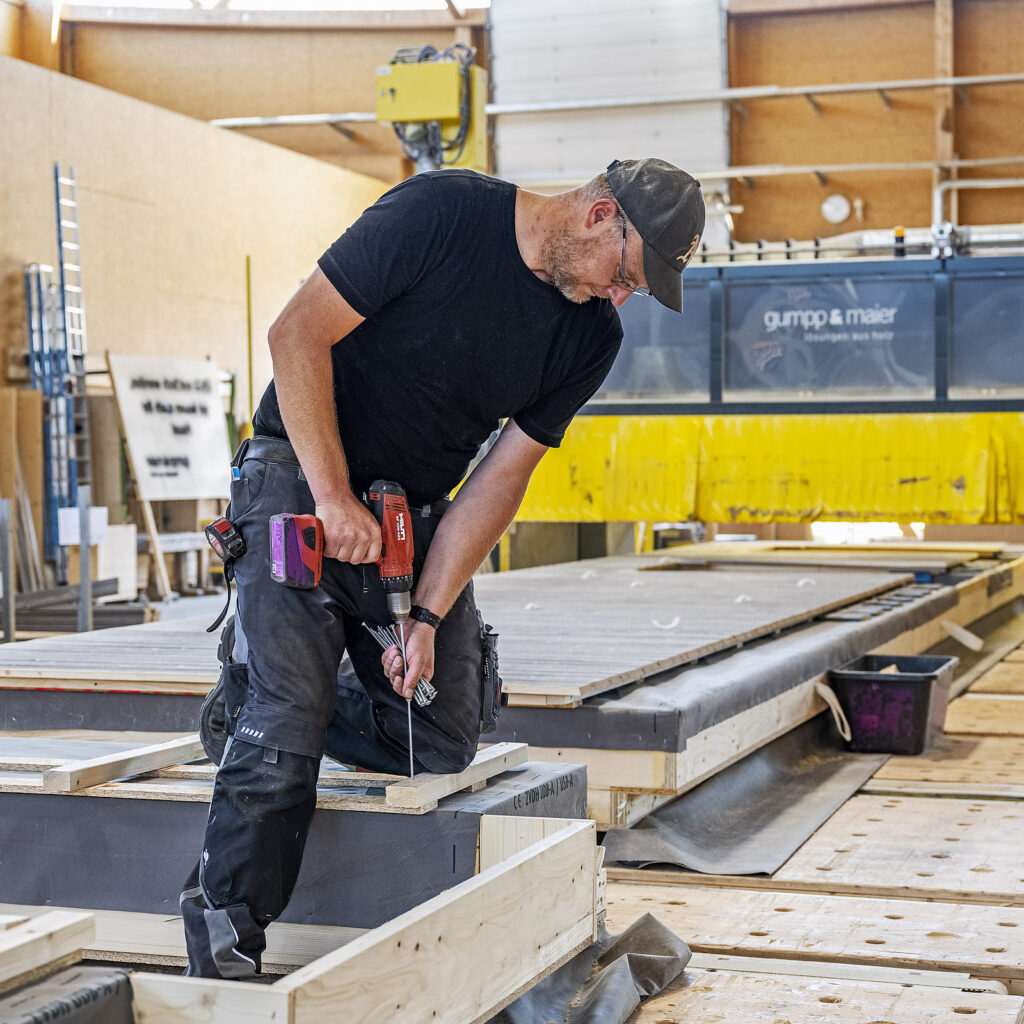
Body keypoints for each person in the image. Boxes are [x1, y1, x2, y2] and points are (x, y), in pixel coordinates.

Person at [181, 157, 706, 979]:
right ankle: (227, 932)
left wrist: (425, 617)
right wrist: (330, 497)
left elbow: (500, 481)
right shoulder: (440, 214)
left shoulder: (589, 338)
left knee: (438, 733)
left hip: (407, 513)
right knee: (283, 736)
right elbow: (295, 334)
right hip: (298, 478)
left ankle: (271, 695)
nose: (621, 295)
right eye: (626, 275)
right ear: (602, 214)